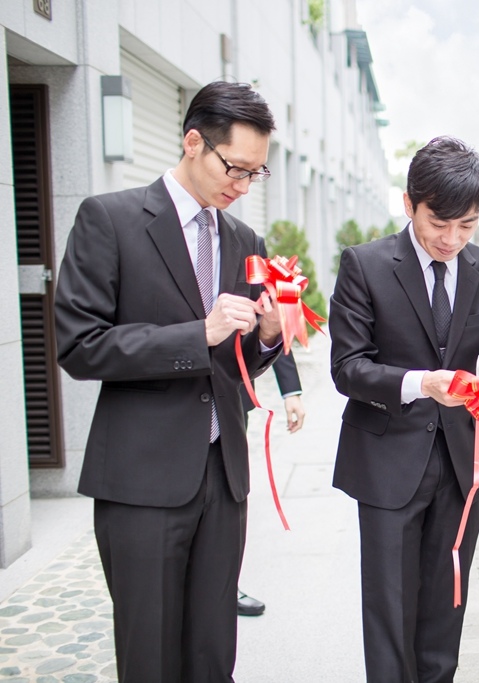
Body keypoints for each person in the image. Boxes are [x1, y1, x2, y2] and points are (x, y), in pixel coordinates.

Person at [54, 81, 281, 682]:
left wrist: (265, 336)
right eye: (235, 168)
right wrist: (196, 334)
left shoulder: (243, 241)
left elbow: (239, 366)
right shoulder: (112, 219)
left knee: (213, 653)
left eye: (255, 175)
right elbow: (79, 346)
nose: (242, 186)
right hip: (142, 480)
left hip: (222, 475)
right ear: (192, 142)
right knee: (150, 655)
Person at [329, 136, 479, 682]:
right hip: (388, 465)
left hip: (460, 466)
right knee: (391, 611)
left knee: (448, 604)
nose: (452, 239)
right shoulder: (365, 266)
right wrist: (421, 384)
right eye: (440, 223)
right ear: (409, 203)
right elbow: (347, 368)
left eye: (467, 226)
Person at [238, 343, 306, 617]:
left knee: (228, 496)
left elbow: (274, 317)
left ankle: (222, 585)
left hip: (230, 394)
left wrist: (291, 391)